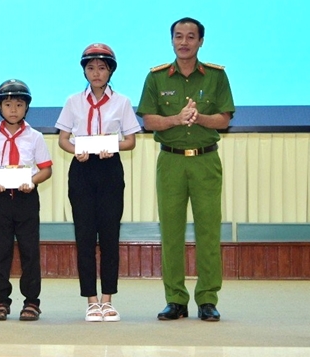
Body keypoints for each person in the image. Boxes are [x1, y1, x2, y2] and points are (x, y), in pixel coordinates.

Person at [136, 17, 234, 322]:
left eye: (191, 37)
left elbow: (224, 119)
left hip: (206, 161)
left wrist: (199, 118)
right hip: (171, 162)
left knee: (208, 231)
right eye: (178, 36)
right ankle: (175, 299)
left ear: (201, 41)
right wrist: (176, 119)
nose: (184, 42)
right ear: (172, 41)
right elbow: (148, 120)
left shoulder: (216, 76)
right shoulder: (156, 77)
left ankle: (207, 299)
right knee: (171, 232)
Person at [55, 43, 140, 322]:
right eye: (90, 68)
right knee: (85, 236)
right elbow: (63, 139)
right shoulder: (73, 101)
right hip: (81, 170)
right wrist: (75, 151)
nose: (96, 73)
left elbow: (130, 141)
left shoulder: (122, 102)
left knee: (110, 236)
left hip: (109, 169)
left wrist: (112, 146)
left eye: (102, 68)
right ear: (84, 71)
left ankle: (108, 299)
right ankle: (91, 300)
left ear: (110, 71)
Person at [0, 79, 52, 322]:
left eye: (19, 105)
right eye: (8, 104)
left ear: (27, 107)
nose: (13, 110)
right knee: (1, 251)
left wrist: (32, 181)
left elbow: (46, 169)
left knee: (30, 251)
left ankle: (31, 301)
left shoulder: (35, 137)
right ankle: (1, 301)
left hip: (26, 198)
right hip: (0, 199)